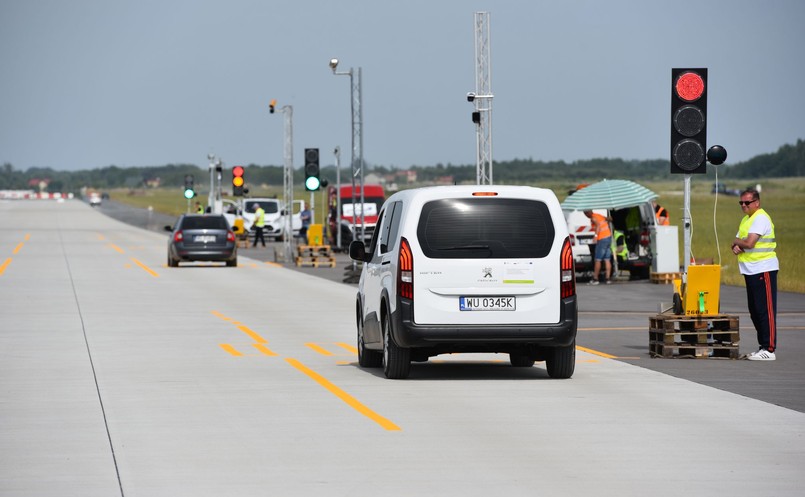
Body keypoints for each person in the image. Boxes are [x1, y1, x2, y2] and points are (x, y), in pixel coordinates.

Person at [732, 188, 778, 361]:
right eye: (741, 203)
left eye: (747, 202)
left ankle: (770, 348)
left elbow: (749, 243)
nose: (743, 205)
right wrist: (736, 245)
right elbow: (738, 244)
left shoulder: (760, 218)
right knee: (755, 310)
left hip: (763, 268)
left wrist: (737, 242)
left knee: (765, 310)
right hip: (750, 269)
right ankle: (762, 347)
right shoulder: (747, 219)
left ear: (757, 203)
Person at [584, 210, 612, 285]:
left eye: (586, 213)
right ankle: (608, 278)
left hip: (602, 238)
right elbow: (609, 219)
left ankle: (595, 278)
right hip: (608, 237)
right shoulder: (599, 215)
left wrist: (596, 236)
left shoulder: (593, 218)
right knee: (607, 259)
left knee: (598, 259)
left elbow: (598, 225)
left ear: (589, 212)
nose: (585, 215)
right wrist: (608, 220)